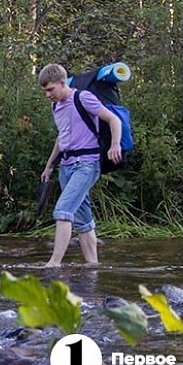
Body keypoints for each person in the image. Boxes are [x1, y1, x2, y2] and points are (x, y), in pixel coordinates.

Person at [38, 63, 123, 268]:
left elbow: (114, 120)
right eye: (45, 91)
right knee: (82, 221)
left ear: (62, 83)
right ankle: (93, 266)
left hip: (87, 164)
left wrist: (115, 145)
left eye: (51, 89)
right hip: (66, 166)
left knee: (63, 210)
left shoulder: (83, 98)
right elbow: (62, 136)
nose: (48, 95)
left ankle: (54, 263)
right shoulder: (56, 106)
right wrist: (49, 165)